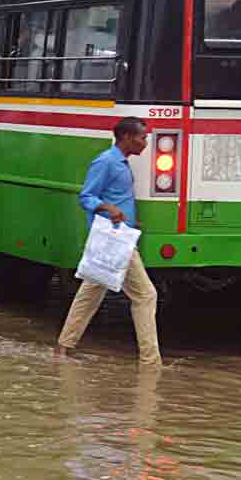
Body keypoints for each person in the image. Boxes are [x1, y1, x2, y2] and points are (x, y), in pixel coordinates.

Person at [56, 117, 162, 366]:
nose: (145, 143)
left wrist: (128, 220)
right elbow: (86, 196)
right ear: (126, 137)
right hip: (114, 242)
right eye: (142, 137)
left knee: (90, 295)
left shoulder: (122, 164)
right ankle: (150, 362)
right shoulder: (106, 162)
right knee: (146, 295)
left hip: (119, 238)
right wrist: (107, 208)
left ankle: (62, 349)